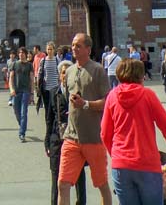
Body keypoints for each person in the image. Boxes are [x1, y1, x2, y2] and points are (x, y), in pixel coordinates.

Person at [101, 58, 166, 205]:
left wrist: (115, 155)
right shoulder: (147, 95)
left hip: (121, 165)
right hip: (146, 162)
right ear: (140, 75)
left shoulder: (112, 96)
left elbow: (105, 133)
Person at [58, 32, 111, 205]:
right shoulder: (70, 71)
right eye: (73, 45)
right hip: (72, 137)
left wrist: (86, 104)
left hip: (93, 137)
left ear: (88, 49)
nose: (74, 48)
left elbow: (107, 101)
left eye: (78, 45)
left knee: (101, 184)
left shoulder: (98, 70)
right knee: (63, 184)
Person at [45, 60, 86, 205]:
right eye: (63, 72)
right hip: (58, 137)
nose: (65, 75)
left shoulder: (80, 92)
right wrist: (47, 141)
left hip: (76, 138)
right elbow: (49, 119)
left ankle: (81, 202)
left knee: (79, 175)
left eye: (69, 72)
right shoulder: (53, 93)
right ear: (59, 75)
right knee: (56, 175)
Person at [9, 47, 34, 142]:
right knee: (16, 111)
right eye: (19, 53)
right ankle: (22, 125)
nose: (21, 54)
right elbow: (11, 78)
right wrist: (11, 89)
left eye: (23, 53)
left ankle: (22, 133)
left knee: (24, 112)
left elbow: (32, 79)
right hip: (16, 91)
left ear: (26, 54)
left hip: (26, 91)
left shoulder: (29, 65)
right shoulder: (14, 64)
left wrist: (32, 93)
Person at [38, 42, 60, 116]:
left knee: (54, 108)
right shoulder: (43, 61)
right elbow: (40, 73)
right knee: (47, 110)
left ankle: (55, 126)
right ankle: (48, 126)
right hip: (46, 88)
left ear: (54, 50)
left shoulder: (57, 60)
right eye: (48, 49)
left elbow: (60, 74)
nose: (49, 51)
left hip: (55, 88)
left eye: (51, 49)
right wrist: (38, 86)